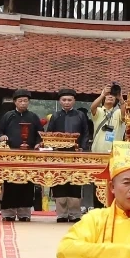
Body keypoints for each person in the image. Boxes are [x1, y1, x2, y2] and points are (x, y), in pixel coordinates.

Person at [0, 89, 42, 221]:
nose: (23, 103)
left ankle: (24, 213)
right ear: (14, 102)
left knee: (26, 183)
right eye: (20, 101)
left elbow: (40, 134)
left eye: (25, 101)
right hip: (11, 155)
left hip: (28, 155)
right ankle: (8, 213)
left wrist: (38, 143)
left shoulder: (33, 117)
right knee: (10, 183)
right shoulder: (8, 116)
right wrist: (2, 136)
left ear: (29, 102)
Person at [49, 88, 92, 222]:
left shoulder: (80, 115)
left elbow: (85, 133)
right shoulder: (55, 116)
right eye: (64, 100)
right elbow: (50, 134)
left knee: (75, 183)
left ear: (74, 101)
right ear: (60, 101)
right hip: (59, 154)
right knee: (60, 182)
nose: (67, 102)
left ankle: (75, 214)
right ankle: (61, 214)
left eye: (69, 100)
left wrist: (83, 148)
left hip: (76, 154)